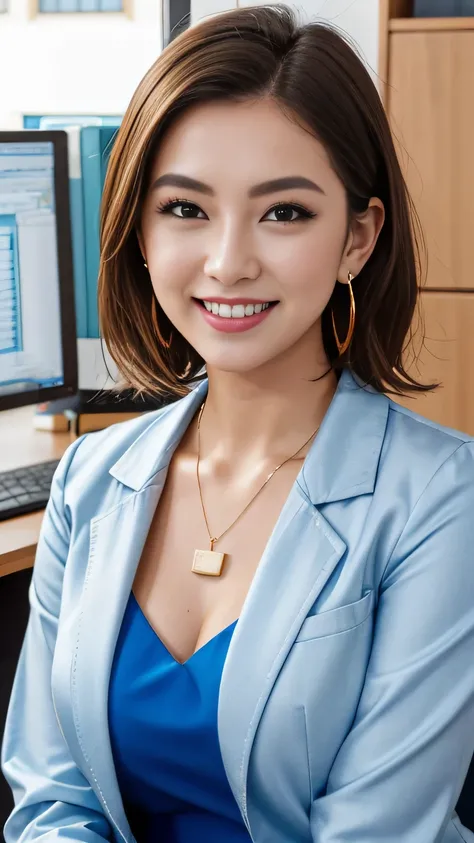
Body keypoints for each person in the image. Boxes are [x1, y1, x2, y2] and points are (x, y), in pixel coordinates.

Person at [2, 4, 474, 842]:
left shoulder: (442, 500)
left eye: (284, 212)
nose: (228, 261)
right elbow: (52, 799)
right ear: (139, 232)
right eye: (185, 208)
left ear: (358, 238)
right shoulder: (88, 479)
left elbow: (374, 833)